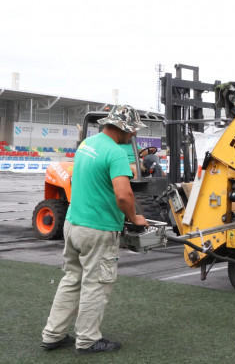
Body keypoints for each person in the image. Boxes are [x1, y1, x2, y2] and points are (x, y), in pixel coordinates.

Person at [40, 105, 149, 354]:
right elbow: (124, 195)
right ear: (123, 128)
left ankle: (53, 334)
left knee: (72, 279)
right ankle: (88, 340)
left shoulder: (86, 145)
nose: (132, 136)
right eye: (131, 131)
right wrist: (135, 217)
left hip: (73, 223)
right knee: (97, 284)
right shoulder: (116, 153)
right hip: (97, 230)